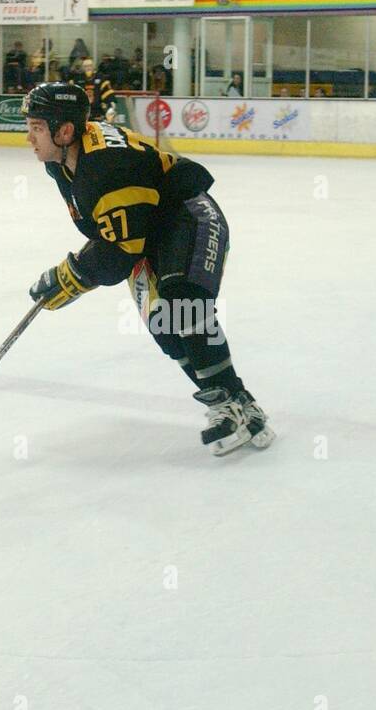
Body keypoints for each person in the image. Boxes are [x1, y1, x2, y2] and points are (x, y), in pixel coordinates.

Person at [21, 83, 273, 455]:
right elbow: (109, 232)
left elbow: (119, 253)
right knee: (164, 326)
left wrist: (70, 277)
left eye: (37, 127)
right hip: (148, 227)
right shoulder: (64, 165)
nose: (29, 137)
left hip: (187, 213)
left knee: (183, 300)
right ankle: (241, 404)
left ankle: (226, 406)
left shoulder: (103, 166)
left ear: (65, 131)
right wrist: (72, 274)